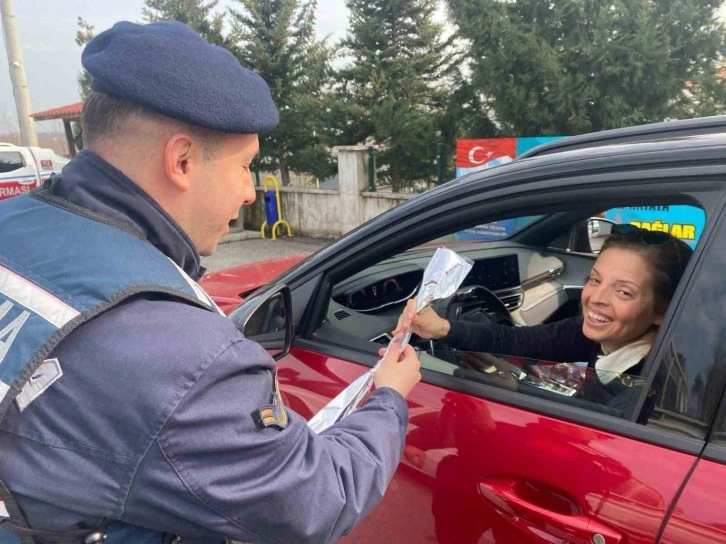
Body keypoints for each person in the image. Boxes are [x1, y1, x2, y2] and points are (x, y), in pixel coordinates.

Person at [0, 21, 420, 544]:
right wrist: (388, 398)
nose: (250, 192)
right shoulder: (180, 358)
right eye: (245, 166)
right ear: (181, 161)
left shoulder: (10, 225)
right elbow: (316, 502)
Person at [394, 225, 692, 413]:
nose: (597, 298)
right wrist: (442, 328)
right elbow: (521, 340)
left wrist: (516, 389)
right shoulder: (602, 334)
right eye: (595, 280)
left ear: (662, 311)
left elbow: (592, 433)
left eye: (624, 292)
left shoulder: (648, 392)